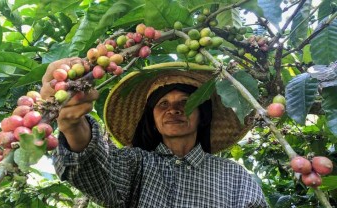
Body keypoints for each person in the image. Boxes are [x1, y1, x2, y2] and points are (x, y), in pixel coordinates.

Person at [41, 57, 268, 208]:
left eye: (186, 102)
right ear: (153, 119)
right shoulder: (137, 164)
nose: (173, 110)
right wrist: (73, 125)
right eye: (163, 104)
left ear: (203, 115)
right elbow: (97, 170)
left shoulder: (235, 177)